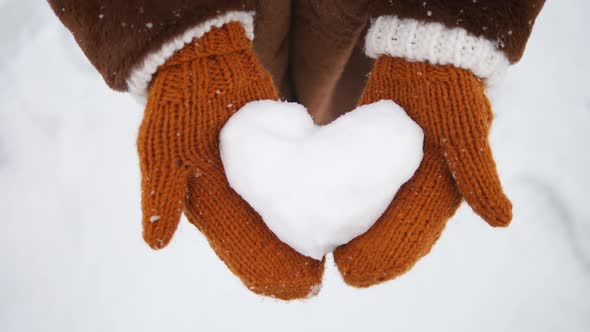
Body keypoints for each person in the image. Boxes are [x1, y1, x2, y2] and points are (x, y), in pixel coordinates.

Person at [48, 0, 546, 300]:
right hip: (245, 31)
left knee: (332, 87)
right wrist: (176, 29)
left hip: (361, 33)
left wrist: (448, 21)